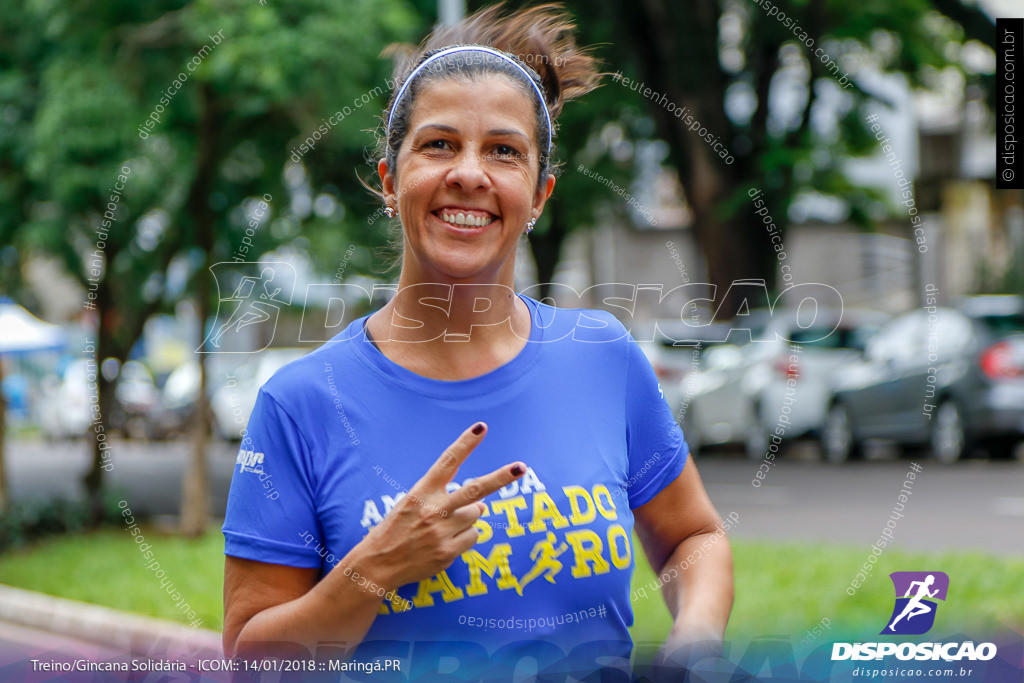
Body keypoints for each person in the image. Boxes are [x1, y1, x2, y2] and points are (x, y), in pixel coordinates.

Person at [221, 4, 733, 679]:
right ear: (389, 179)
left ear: (539, 193)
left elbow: (693, 536)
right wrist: (376, 567)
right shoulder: (301, 403)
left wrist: (694, 641)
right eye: (438, 144)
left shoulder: (602, 357)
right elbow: (252, 658)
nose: (469, 173)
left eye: (503, 150)